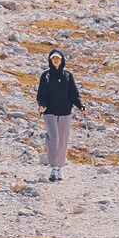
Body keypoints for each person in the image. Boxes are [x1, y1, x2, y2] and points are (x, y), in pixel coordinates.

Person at [35, 49, 82, 181]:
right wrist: (42, 104)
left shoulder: (67, 76)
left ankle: (58, 168)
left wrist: (80, 106)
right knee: (53, 138)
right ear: (50, 60)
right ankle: (53, 166)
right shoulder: (46, 76)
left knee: (63, 140)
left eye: (58, 58)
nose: (56, 60)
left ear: (62, 60)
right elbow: (41, 94)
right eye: (53, 58)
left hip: (65, 111)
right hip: (49, 111)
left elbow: (73, 94)